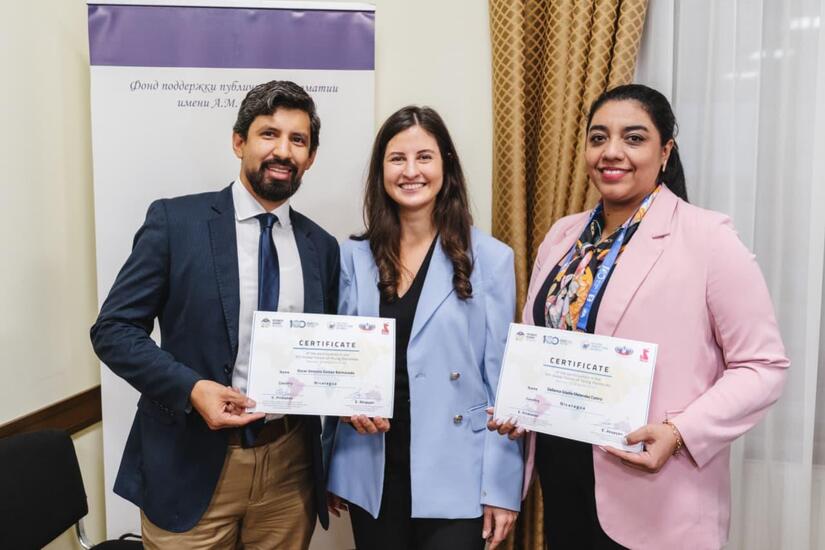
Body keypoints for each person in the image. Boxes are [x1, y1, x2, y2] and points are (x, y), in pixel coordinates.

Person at [489, 84, 789, 550]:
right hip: (564, 484)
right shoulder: (563, 236)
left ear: (665, 150)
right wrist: (519, 404)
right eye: (598, 138)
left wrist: (679, 432)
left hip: (657, 495)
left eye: (633, 138)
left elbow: (763, 367)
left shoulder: (708, 238)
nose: (612, 152)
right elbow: (538, 345)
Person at [90, 80, 339, 550]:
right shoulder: (174, 223)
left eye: (298, 140)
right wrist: (191, 388)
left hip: (289, 468)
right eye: (269, 134)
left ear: (311, 157)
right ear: (238, 141)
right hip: (191, 464)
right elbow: (113, 330)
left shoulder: (320, 247)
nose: (282, 150)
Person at [322, 106, 523, 549]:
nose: (411, 171)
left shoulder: (491, 258)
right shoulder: (352, 257)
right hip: (371, 463)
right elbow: (338, 365)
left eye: (424, 157)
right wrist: (337, 464)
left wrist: (502, 488)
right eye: (397, 159)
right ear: (381, 170)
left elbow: (503, 383)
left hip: (457, 467)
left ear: (446, 164)